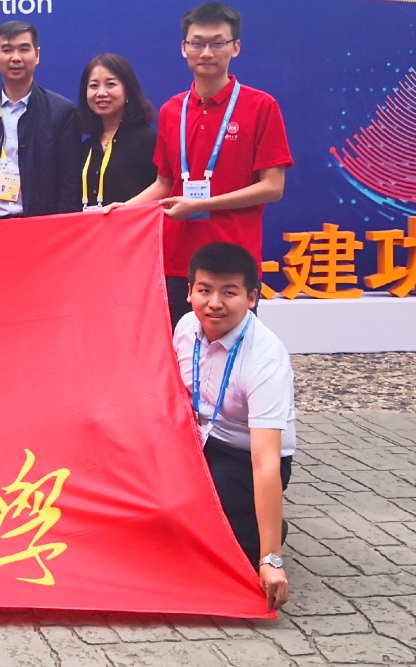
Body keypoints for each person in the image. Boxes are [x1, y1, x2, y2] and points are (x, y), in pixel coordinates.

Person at [110, 3, 292, 325]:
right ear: (184, 48)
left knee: (231, 350)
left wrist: (202, 204)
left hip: (233, 259)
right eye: (197, 43)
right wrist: (123, 209)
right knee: (178, 347)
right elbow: (164, 184)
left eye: (217, 43)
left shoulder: (261, 106)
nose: (206, 52)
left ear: (236, 47)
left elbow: (272, 187)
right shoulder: (172, 110)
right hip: (176, 262)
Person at [175, 242, 294, 611]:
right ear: (190, 292)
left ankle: (266, 532)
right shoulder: (185, 328)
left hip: (244, 457)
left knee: (228, 547)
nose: (215, 303)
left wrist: (271, 559)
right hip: (196, 441)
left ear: (251, 298)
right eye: (205, 290)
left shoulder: (265, 358)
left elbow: (265, 462)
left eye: (229, 292)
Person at [0, 20, 79, 219]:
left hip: (42, 225)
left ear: (37, 55)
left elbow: (70, 184)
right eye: (7, 50)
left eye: (24, 49)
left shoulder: (62, 112)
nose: (16, 58)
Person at [75, 53, 158, 211]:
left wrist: (126, 209)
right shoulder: (88, 146)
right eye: (94, 86)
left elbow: (164, 187)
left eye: (110, 84)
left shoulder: (147, 139)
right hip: (92, 226)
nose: (101, 93)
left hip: (134, 224)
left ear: (128, 91)